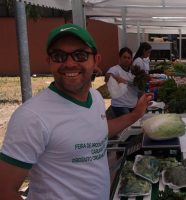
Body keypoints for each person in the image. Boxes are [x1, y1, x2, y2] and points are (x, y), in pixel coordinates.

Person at [0, 24, 152, 200]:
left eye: (80, 55)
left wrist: (135, 115)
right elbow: (4, 191)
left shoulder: (95, 97)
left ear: (96, 60)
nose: (70, 63)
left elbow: (98, 130)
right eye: (59, 56)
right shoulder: (31, 116)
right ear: (49, 62)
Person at [105, 47, 140, 118]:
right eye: (124, 57)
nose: (127, 60)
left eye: (129, 58)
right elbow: (107, 76)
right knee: (127, 127)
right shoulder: (115, 69)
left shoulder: (134, 71)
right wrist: (117, 78)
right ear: (120, 58)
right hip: (120, 106)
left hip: (133, 105)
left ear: (131, 59)